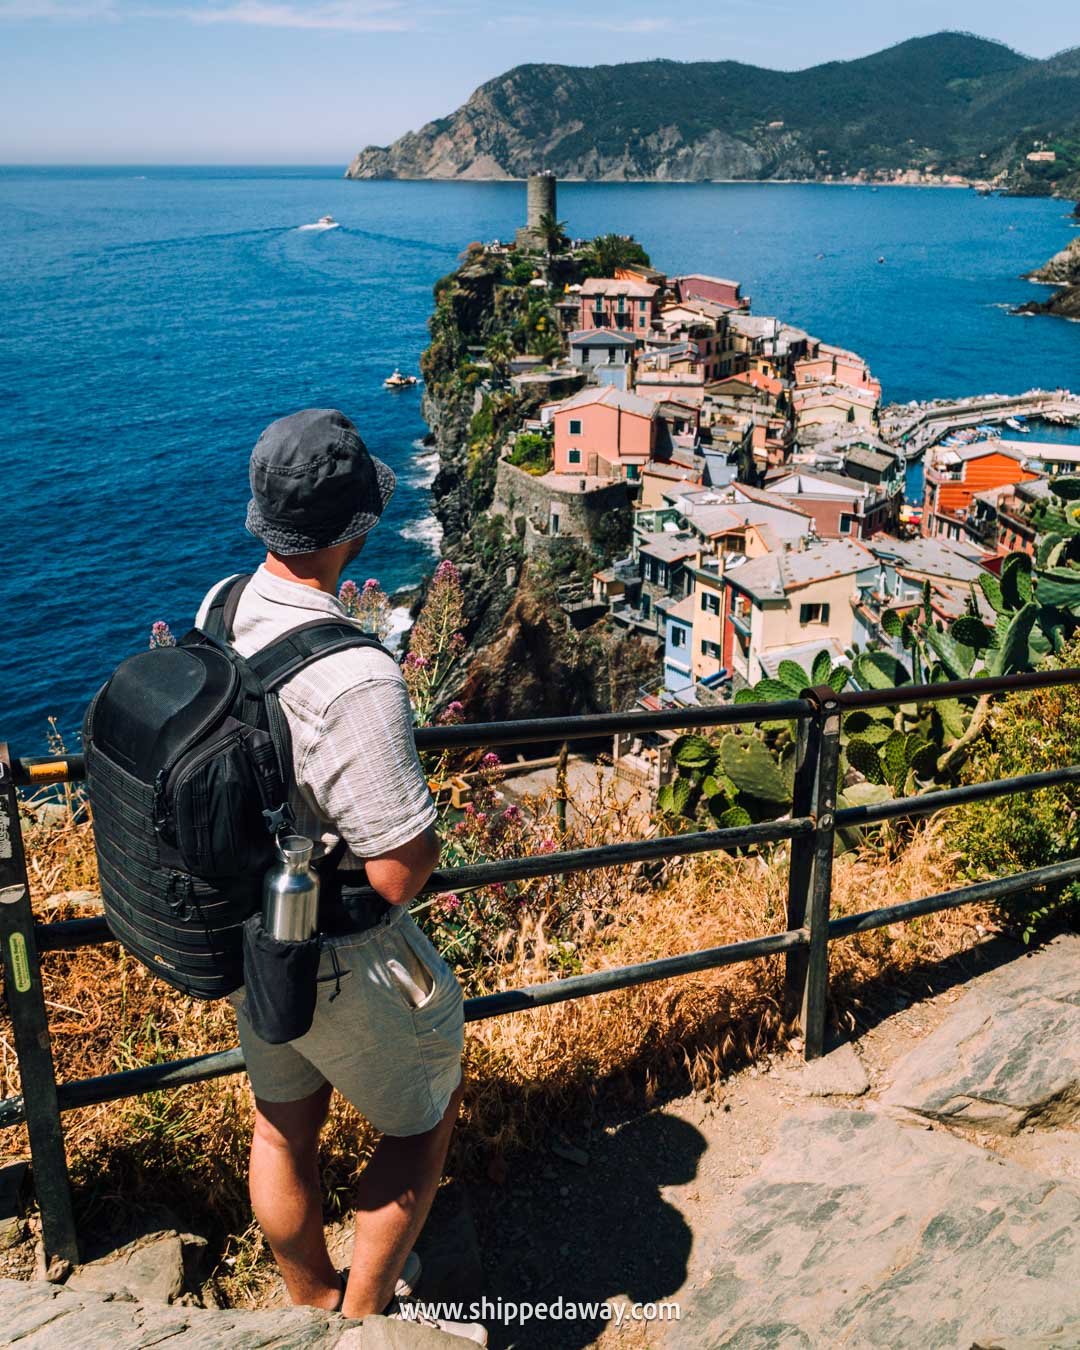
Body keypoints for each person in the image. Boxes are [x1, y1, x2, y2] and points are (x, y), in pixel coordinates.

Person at [197, 408, 484, 1344]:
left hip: (250, 932)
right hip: (332, 947)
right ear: (358, 530)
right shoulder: (355, 676)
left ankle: (311, 1302)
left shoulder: (220, 606)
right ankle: (365, 1329)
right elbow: (400, 868)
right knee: (422, 1117)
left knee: (282, 1127)